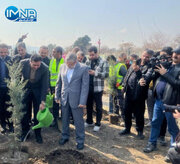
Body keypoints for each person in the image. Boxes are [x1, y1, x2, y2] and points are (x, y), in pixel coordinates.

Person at [143, 47, 180, 156]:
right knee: (155, 123)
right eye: (174, 53)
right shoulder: (168, 65)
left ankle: (173, 151)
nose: (175, 55)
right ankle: (152, 143)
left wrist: (165, 74)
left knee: (172, 128)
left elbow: (178, 85)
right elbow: (153, 72)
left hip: (171, 103)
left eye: (178, 54)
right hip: (158, 101)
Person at [55, 53, 89, 150]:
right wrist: (57, 96)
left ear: (76, 62)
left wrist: (83, 101)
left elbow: (85, 86)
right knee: (64, 119)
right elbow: (59, 82)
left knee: (78, 121)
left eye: (70, 64)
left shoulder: (83, 68)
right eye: (67, 64)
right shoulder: (62, 67)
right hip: (64, 97)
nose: (68, 66)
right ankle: (65, 136)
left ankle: (80, 141)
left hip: (77, 100)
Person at [119, 49, 154, 139]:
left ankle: (140, 131)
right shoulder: (135, 63)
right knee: (127, 111)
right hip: (129, 92)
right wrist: (124, 85)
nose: (145, 58)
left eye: (147, 57)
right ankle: (127, 129)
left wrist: (138, 71)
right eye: (144, 55)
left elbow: (146, 78)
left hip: (140, 94)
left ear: (150, 58)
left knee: (139, 113)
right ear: (141, 54)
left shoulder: (150, 67)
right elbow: (128, 74)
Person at [20, 54, 49, 143]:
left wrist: (42, 101)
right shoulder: (22, 63)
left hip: (38, 91)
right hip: (26, 89)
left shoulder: (45, 68)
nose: (36, 67)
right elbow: (17, 77)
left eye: (38, 65)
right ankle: (25, 132)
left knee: (38, 113)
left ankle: (38, 133)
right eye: (34, 65)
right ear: (30, 62)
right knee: (25, 112)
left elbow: (44, 86)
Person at [85, 46, 109, 132]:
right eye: (90, 55)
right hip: (88, 87)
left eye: (92, 55)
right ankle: (89, 121)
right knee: (89, 105)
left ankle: (98, 123)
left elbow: (106, 74)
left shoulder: (103, 62)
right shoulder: (87, 61)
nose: (91, 57)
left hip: (98, 88)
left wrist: (95, 73)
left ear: (96, 53)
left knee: (98, 106)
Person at [49, 46, 64, 128]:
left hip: (62, 86)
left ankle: (63, 120)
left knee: (63, 104)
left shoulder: (64, 61)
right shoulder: (52, 61)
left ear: (59, 53)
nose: (53, 53)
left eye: (54, 52)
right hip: (53, 87)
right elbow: (50, 73)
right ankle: (55, 119)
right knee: (55, 104)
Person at [0, 44, 13, 133]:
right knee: (0, 108)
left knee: (9, 107)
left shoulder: (10, 60)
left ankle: (11, 125)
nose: (3, 54)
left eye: (5, 52)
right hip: (0, 88)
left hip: (9, 88)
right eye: (1, 52)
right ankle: (3, 125)